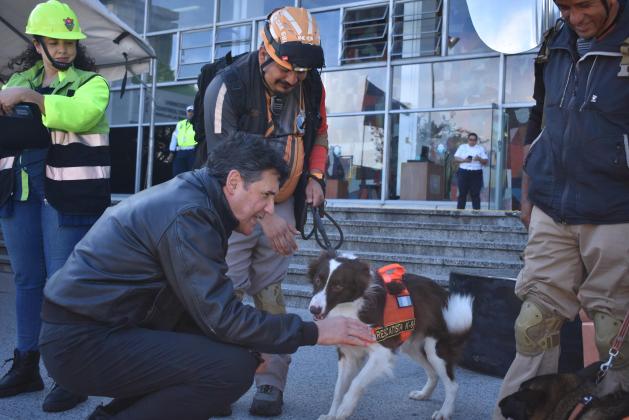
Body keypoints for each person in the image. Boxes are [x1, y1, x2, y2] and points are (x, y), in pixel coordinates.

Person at [37, 135, 374, 420]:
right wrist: (313, 331)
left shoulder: (196, 200)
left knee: (232, 357)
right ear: (233, 182)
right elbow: (222, 317)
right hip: (81, 341)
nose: (270, 209)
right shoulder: (191, 215)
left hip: (101, 329)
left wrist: (247, 343)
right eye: (266, 195)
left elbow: (201, 306)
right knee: (228, 371)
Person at [494, 0, 629, 418]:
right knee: (532, 323)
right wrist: (529, 191)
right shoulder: (555, 41)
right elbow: (540, 117)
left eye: (583, 5)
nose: (574, 17)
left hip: (616, 210)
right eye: (565, 6)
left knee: (613, 333)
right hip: (553, 205)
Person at [203, 6, 328, 416]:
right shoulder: (227, 87)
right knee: (226, 294)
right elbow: (225, 170)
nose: (293, 80)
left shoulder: (311, 84)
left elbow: (320, 133)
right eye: (286, 70)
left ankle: (271, 383)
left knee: (270, 293)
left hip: (286, 202)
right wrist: (268, 213)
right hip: (233, 211)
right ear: (265, 51)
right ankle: (217, 384)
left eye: (301, 73)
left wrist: (315, 177)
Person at [0, 0, 110, 413]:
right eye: (54, 42)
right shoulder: (15, 80)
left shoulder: (91, 82)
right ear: (37, 42)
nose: (64, 49)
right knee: (28, 279)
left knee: (63, 286)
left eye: (69, 42)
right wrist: (22, 96)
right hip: (20, 190)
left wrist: (29, 99)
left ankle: (71, 375)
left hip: (67, 196)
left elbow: (82, 116)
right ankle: (26, 365)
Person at [453, 132, 488, 210]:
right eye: (470, 139)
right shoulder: (462, 147)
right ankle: (460, 212)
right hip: (464, 172)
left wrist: (479, 158)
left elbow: (485, 161)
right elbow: (456, 158)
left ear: (476, 141)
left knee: (475, 194)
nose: (472, 141)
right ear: (468, 140)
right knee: (462, 193)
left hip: (476, 173)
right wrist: (464, 160)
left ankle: (477, 213)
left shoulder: (480, 148)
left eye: (474, 140)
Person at [167, 105, 197, 176]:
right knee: (178, 174)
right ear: (186, 112)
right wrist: (171, 152)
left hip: (192, 152)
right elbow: (174, 137)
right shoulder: (180, 124)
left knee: (191, 175)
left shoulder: (197, 124)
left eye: (192, 111)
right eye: (189, 111)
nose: (191, 113)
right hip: (180, 152)